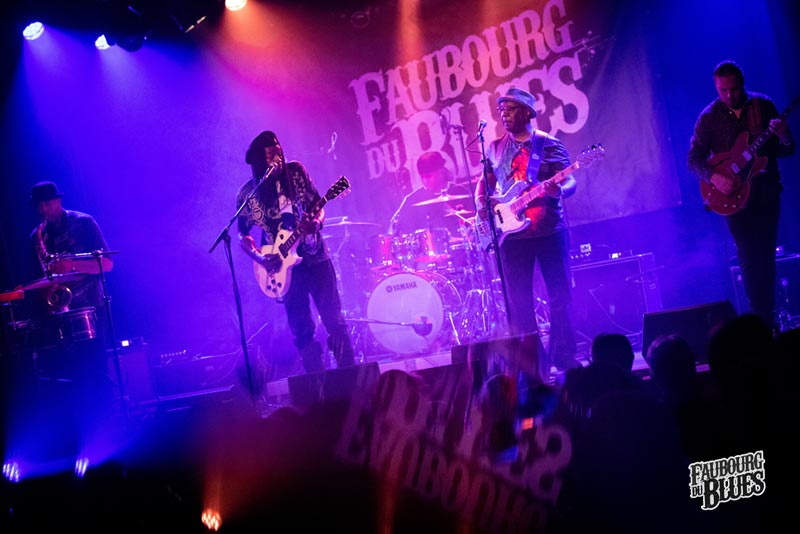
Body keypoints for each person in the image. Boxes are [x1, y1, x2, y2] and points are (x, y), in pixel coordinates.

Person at [475, 87, 580, 372]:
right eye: (501, 111)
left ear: (525, 112)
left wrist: (560, 190)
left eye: (509, 110)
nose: (503, 115)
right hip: (511, 236)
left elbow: (569, 180)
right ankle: (533, 364)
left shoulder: (549, 144)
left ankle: (564, 356)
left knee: (559, 297)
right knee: (520, 302)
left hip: (549, 230)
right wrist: (482, 207)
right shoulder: (494, 148)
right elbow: (484, 184)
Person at [688, 60, 795, 331]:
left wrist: (784, 137)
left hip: (766, 190)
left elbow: (786, 150)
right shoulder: (709, 117)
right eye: (723, 90)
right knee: (748, 255)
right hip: (734, 196)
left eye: (734, 89)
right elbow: (693, 159)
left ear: (743, 84)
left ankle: (767, 316)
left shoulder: (763, 105)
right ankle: (761, 318)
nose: (729, 95)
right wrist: (714, 177)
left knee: (766, 254)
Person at [236, 130, 355, 374]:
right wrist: (260, 257)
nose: (278, 158)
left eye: (279, 151)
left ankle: (350, 375)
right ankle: (317, 380)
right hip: (282, 269)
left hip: (316, 257)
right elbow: (242, 235)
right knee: (301, 329)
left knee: (333, 319)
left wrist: (316, 223)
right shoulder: (248, 194)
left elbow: (317, 205)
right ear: (259, 161)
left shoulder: (296, 172)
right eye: (271, 154)